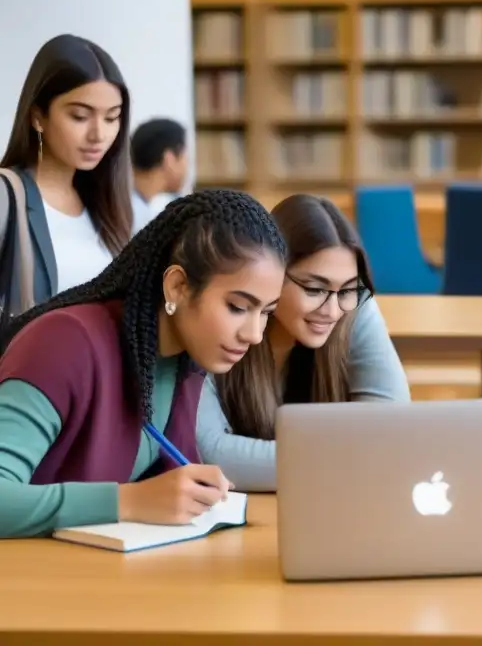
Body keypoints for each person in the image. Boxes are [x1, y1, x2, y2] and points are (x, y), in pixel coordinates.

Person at [0, 189, 287, 538]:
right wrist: (128, 501)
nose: (255, 334)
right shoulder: (64, 343)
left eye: (267, 313)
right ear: (178, 287)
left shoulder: (184, 360)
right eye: (238, 307)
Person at [197, 194, 410, 491]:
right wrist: (355, 459)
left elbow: (393, 429)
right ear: (271, 275)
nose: (333, 310)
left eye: (348, 289)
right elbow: (211, 455)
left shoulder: (354, 307)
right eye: (314, 288)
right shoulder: (223, 315)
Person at [1, 34, 134, 307]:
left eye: (112, 117)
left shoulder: (108, 206)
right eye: (80, 116)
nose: (99, 134)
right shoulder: (6, 197)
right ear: (38, 117)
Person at [130, 117, 189, 232]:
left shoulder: (136, 206)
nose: (186, 168)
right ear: (169, 158)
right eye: (185, 157)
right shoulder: (138, 221)